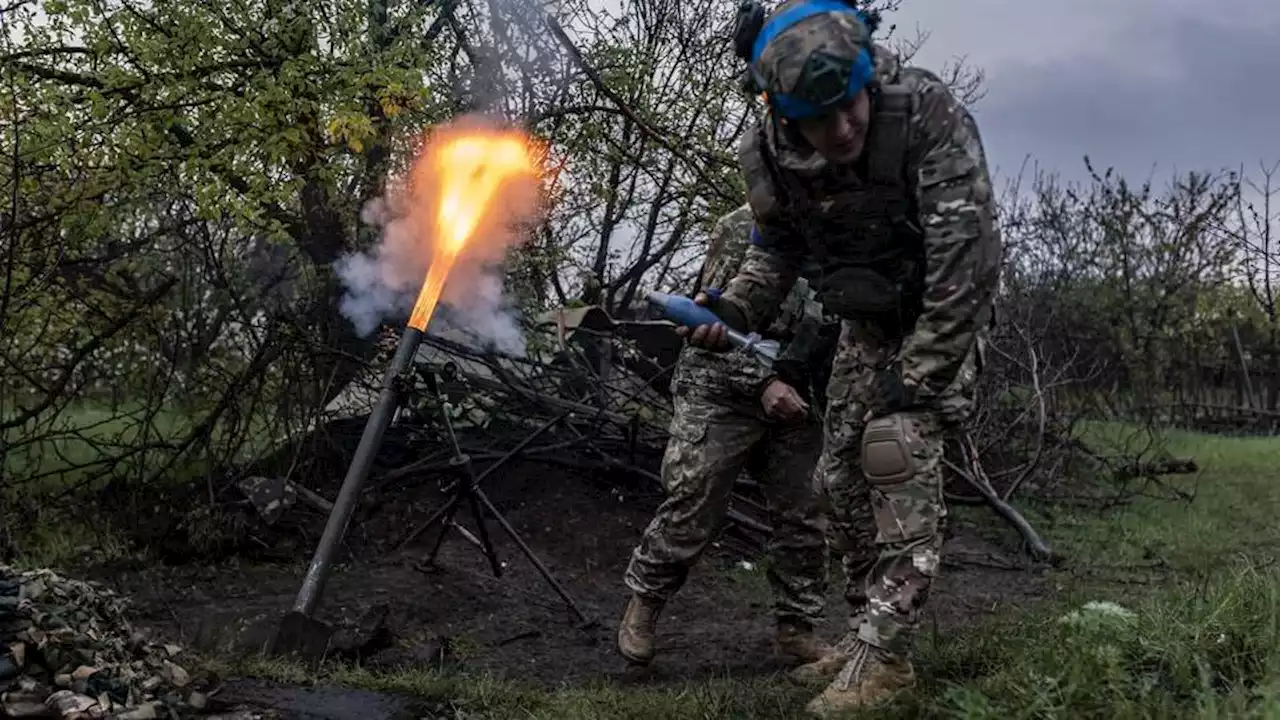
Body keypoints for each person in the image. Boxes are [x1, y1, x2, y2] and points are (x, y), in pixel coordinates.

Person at [681, 0, 1002, 715]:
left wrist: (917, 376)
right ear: (786, 112)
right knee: (840, 481)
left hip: (940, 315)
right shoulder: (769, 154)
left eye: (850, 103)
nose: (843, 126)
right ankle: (864, 638)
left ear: (866, 77)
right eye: (820, 117)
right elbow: (777, 252)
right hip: (864, 322)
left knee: (894, 450)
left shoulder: (922, 112)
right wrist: (730, 312)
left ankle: (886, 659)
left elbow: (968, 261)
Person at [618, 203, 844, 673]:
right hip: (720, 386)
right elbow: (712, 324)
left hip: (795, 390)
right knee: (693, 501)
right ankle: (644, 606)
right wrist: (762, 384)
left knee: (805, 512)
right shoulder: (744, 226)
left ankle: (796, 631)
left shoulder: (847, 229)